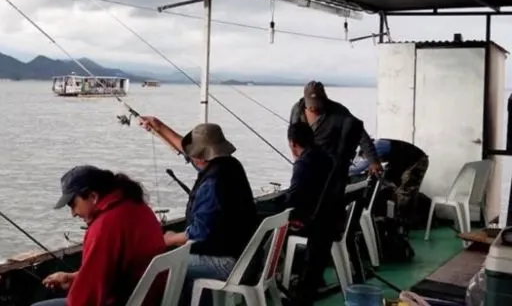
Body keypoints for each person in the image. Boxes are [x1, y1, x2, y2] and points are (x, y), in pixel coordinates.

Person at [139, 116, 257, 306]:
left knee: (159, 266)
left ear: (200, 157)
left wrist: (170, 238)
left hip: (229, 263)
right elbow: (187, 151)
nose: (190, 156)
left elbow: (199, 233)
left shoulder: (213, 184)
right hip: (246, 255)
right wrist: (159, 126)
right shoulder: (230, 164)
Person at [35, 166, 166, 306]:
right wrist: (75, 278)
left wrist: (79, 287)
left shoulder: (104, 226)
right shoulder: (138, 206)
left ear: (93, 197)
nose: (73, 213)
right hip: (151, 297)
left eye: (73, 204)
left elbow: (87, 299)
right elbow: (117, 270)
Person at [285, 123, 347, 306]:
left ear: (292, 143)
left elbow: (292, 198)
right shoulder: (328, 158)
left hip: (315, 224)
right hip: (332, 220)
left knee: (274, 224)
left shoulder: (303, 163)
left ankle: (283, 279)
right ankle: (306, 279)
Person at [289, 81, 382, 176]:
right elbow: (291, 135)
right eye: (310, 105)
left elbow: (360, 133)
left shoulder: (339, 112)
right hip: (303, 165)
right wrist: (296, 157)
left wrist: (374, 161)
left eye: (317, 104)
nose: (313, 108)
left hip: (330, 167)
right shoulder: (297, 110)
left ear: (324, 98)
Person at [368, 139, 429, 227]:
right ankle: (400, 219)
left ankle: (404, 223)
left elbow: (363, 165)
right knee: (393, 186)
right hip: (404, 161)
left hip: (417, 161)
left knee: (404, 192)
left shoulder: (375, 147)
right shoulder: (375, 146)